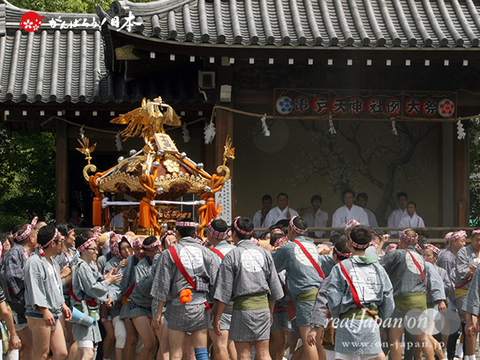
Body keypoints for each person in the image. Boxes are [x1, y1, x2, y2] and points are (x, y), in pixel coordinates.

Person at [212, 216, 283, 360]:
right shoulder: (265, 254)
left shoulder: (232, 255)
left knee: (243, 354)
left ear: (233, 233)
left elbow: (224, 291)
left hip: (242, 310)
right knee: (264, 353)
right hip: (263, 309)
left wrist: (217, 317)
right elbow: (275, 288)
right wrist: (269, 312)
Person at [151, 218, 218, 360]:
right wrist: (214, 308)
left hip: (177, 306)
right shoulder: (207, 253)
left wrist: (158, 313)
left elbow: (162, 285)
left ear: (177, 233)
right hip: (200, 306)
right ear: (195, 233)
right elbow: (215, 283)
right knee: (201, 352)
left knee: (175, 353)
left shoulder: (169, 253)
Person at [327, 225, 394, 360]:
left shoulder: (339, 268)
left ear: (350, 243)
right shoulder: (378, 269)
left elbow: (333, 300)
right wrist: (381, 320)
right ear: (369, 244)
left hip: (346, 324)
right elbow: (388, 299)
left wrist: (337, 317)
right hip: (371, 325)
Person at [380, 229, 446, 360]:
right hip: (421, 300)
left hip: (403, 299)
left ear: (402, 240)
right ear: (415, 242)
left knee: (395, 337)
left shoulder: (397, 254)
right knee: (422, 337)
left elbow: (379, 268)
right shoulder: (420, 257)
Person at [273, 216, 325, 360]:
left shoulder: (288, 248)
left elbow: (271, 264)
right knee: (318, 342)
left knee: (309, 342)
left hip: (305, 298)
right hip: (321, 298)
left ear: (291, 230)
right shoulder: (313, 246)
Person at [23, 225, 72, 360]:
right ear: (52, 244)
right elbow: (35, 288)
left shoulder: (53, 262)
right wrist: (44, 310)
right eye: (60, 241)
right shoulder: (34, 262)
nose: (62, 244)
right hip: (39, 313)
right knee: (41, 355)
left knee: (61, 352)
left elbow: (55, 287)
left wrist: (62, 304)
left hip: (54, 312)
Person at [71, 231, 122, 360]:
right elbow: (91, 288)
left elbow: (99, 283)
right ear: (83, 250)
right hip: (84, 311)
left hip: (91, 312)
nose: (96, 252)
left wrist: (106, 280)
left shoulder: (89, 266)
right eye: (93, 249)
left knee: (88, 352)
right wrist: (108, 281)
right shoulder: (82, 266)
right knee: (87, 354)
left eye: (96, 248)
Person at [1, 217, 41, 360]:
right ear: (31, 239)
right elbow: (14, 280)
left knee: (26, 346)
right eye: (36, 234)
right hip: (15, 308)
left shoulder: (28, 253)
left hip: (24, 308)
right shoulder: (14, 253)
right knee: (27, 345)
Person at [205, 219, 237, 360]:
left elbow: (210, 282)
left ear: (211, 235)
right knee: (232, 344)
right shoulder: (237, 250)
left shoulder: (211, 255)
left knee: (220, 345)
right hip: (240, 303)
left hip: (220, 304)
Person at [130, 236, 162, 360]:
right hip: (140, 304)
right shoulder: (141, 266)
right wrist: (156, 274)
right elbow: (143, 288)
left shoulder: (164, 260)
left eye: (160, 248)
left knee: (155, 345)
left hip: (155, 306)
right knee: (149, 342)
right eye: (155, 250)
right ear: (147, 252)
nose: (159, 251)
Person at [454, 229, 480, 360]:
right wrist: (473, 272)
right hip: (464, 291)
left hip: (479, 292)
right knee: (471, 323)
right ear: (471, 239)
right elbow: (461, 272)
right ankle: (470, 355)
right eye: (477, 240)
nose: (479, 243)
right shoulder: (463, 252)